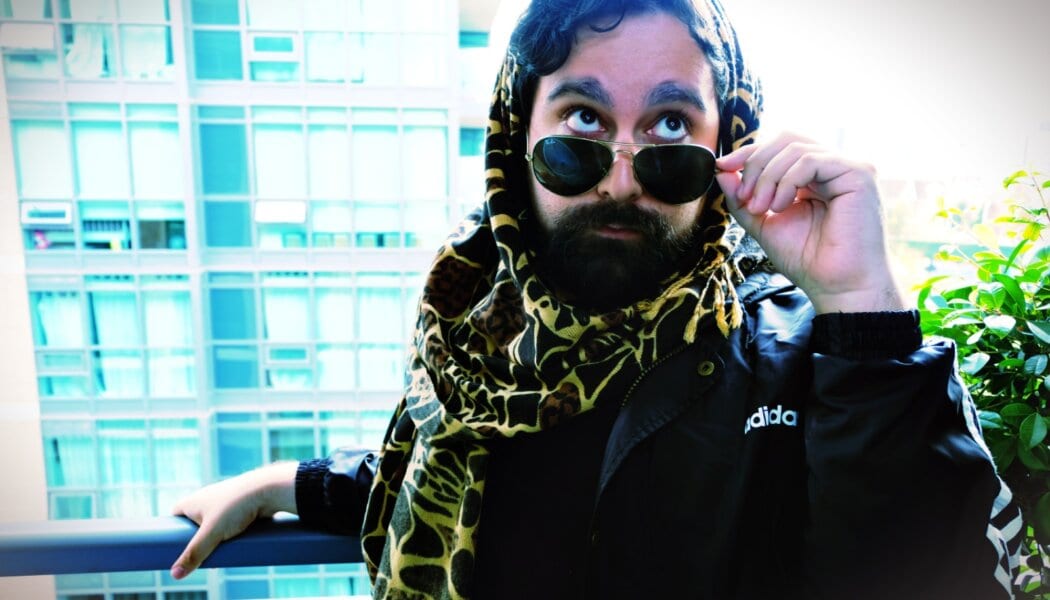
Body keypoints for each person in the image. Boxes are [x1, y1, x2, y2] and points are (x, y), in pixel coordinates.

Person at [170, 0, 1023, 598]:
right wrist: (284, 483)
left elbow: (942, 572)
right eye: (582, 120)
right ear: (517, 135)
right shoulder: (475, 345)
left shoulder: (815, 359)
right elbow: (439, 471)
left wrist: (861, 301)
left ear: (726, 148)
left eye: (669, 127)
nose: (621, 180)